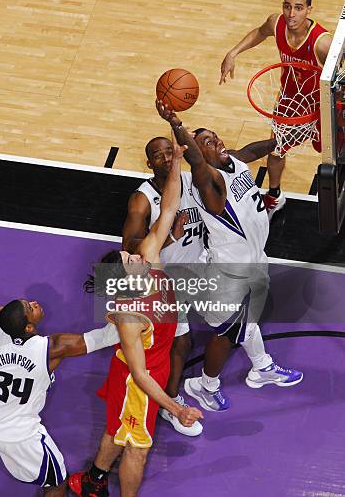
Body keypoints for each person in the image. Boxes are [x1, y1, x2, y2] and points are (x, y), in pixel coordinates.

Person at [69, 135, 203, 497]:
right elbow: (141, 375)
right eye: (130, 262)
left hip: (144, 371)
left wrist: (176, 161)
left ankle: (95, 479)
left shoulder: (150, 259)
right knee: (137, 448)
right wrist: (175, 408)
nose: (138, 257)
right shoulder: (130, 315)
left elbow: (171, 206)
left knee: (117, 428)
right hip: (137, 382)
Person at [156, 101, 303, 413]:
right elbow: (196, 161)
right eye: (207, 142)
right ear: (198, 153)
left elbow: (249, 152)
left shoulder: (231, 163)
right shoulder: (207, 182)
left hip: (254, 260)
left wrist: (281, 140)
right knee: (228, 334)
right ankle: (204, 386)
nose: (217, 141)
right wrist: (176, 124)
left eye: (215, 136)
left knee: (247, 325)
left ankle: (261, 367)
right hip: (229, 274)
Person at [0, 300, 116, 497]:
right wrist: (136, 301)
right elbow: (108, 336)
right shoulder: (52, 348)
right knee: (56, 483)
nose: (35, 303)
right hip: (18, 435)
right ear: (29, 327)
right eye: (30, 308)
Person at [219, 0, 332, 219]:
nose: (292, 14)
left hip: (321, 104)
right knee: (276, 149)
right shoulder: (276, 23)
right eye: (288, 6)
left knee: (332, 155)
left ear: (309, 10)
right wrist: (233, 53)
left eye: (298, 8)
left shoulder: (322, 43)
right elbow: (259, 33)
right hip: (291, 101)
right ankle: (274, 195)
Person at [122, 135, 206, 436]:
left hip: (200, 266)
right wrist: (169, 235)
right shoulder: (142, 198)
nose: (167, 158)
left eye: (170, 152)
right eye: (159, 156)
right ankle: (171, 402)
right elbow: (129, 245)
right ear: (149, 163)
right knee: (182, 344)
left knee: (235, 315)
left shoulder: (190, 179)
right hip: (166, 282)